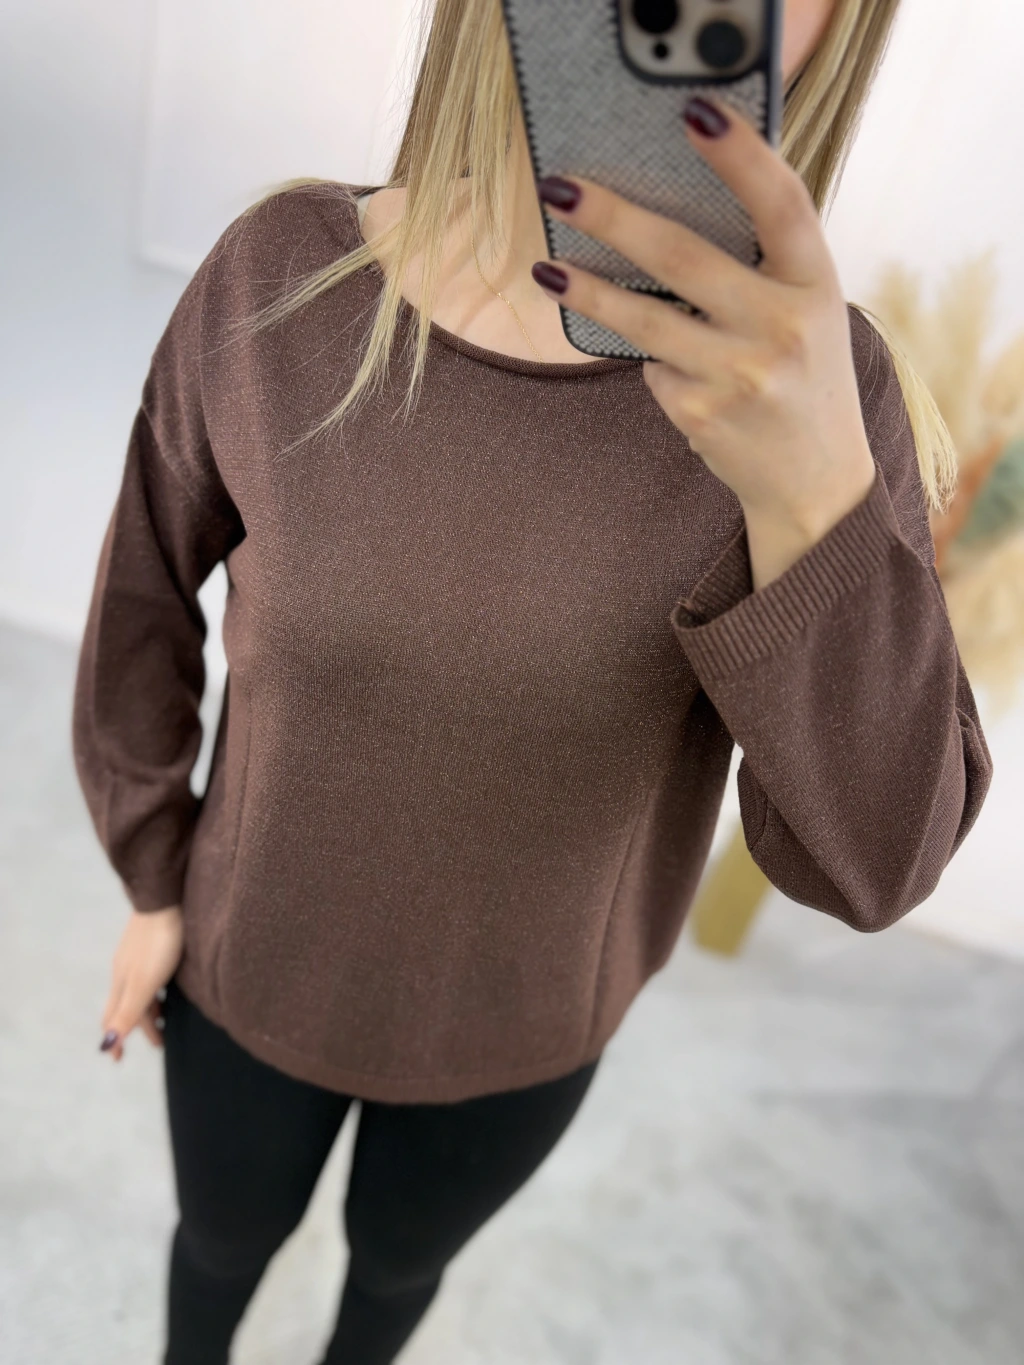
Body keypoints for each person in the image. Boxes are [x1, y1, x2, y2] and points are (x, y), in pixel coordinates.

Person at [71, 1, 993, 1362]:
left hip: (523, 1030)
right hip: (249, 964)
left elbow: (876, 865)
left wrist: (814, 507)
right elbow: (141, 603)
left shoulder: (821, 407)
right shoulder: (282, 279)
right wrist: (154, 876)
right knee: (217, 1247)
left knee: (396, 1276)